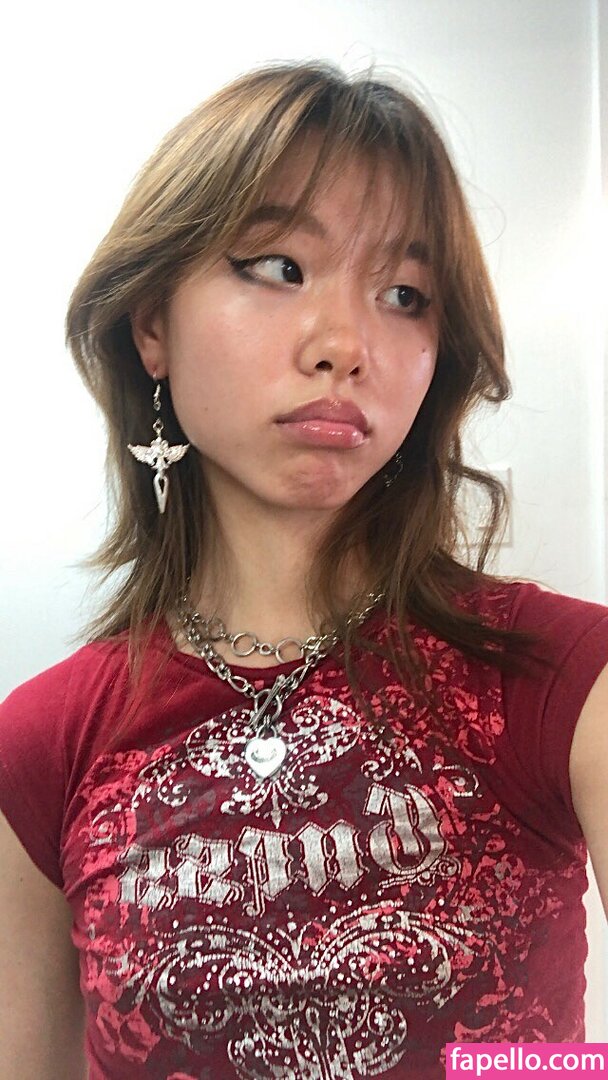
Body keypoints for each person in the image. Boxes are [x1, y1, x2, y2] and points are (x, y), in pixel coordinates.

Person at [0, 61, 607, 1080]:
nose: (345, 345)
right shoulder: (42, 745)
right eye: (279, 267)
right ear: (151, 325)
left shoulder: (567, 678)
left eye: (404, 295)